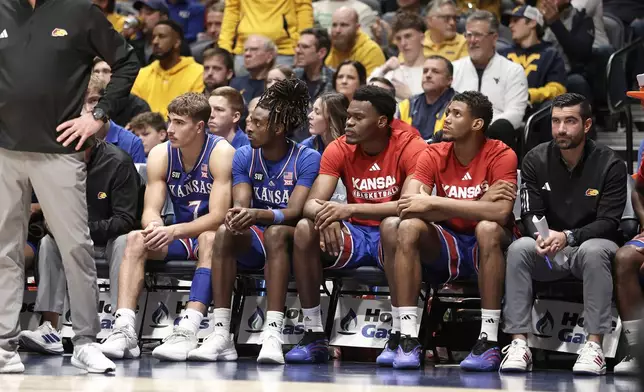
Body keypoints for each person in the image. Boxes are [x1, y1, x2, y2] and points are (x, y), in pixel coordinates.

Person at [0, 0, 139, 374]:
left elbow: (128, 62)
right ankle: (4, 347)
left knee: (75, 245)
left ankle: (85, 340)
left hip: (60, 149)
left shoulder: (78, 11)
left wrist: (98, 115)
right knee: (4, 250)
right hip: (3, 149)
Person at [285, 86, 428, 364]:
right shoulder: (339, 147)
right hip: (357, 234)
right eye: (349, 116)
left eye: (358, 118)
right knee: (304, 228)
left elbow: (408, 204)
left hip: (395, 234)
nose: (348, 122)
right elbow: (311, 204)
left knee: (392, 224)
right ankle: (313, 333)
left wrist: (347, 209)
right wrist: (328, 214)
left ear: (382, 122)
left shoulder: (412, 145)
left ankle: (401, 335)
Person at [381, 91, 518, 370]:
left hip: (491, 246)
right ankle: (407, 337)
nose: (447, 119)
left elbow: (501, 213)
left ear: (477, 124)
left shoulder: (502, 154)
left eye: (456, 114)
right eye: (447, 113)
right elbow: (409, 206)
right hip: (447, 241)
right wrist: (479, 202)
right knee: (405, 226)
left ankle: (489, 340)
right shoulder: (433, 153)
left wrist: (432, 202)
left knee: (488, 228)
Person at [187, 79, 320, 364]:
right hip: (257, 235)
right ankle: (220, 334)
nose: (249, 126)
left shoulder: (307, 158)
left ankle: (272, 333)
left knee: (275, 233)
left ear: (278, 128)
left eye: (257, 122)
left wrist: (258, 215)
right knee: (224, 232)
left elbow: (296, 211)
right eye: (249, 119)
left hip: (294, 239)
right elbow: (241, 203)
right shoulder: (245, 154)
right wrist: (239, 215)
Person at [99, 93, 236, 362]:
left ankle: (187, 329)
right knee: (136, 239)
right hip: (182, 234)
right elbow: (151, 207)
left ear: (199, 126)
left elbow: (219, 216)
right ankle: (124, 328)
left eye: (179, 123)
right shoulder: (161, 154)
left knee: (211, 238)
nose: (170, 129)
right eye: (170, 121)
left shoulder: (221, 153)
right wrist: (154, 225)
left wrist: (172, 231)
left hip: (212, 235)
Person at [500, 93, 627, 375]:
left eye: (570, 121)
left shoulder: (611, 164)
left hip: (587, 249)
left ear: (587, 124)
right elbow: (529, 212)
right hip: (548, 252)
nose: (561, 129)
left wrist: (568, 236)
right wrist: (540, 236)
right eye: (556, 121)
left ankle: (594, 345)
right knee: (519, 248)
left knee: (595, 251)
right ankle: (519, 343)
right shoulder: (535, 159)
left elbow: (609, 221)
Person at [20, 140, 140, 355]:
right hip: (74, 239)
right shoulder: (57, 164)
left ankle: (120, 328)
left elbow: (124, 220)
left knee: (125, 241)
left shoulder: (118, 162)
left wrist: (79, 230)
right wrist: (56, 224)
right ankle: (49, 328)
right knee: (49, 242)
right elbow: (52, 211)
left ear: (90, 146)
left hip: (109, 241)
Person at [451, 10, 528, 152]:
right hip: (457, 138)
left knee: (503, 127)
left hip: (494, 138)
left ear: (494, 38)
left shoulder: (513, 70)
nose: (472, 40)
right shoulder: (454, 69)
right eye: (469, 35)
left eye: (478, 35)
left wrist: (478, 128)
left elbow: (515, 114)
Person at [131, 20, 205, 118]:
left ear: (177, 42)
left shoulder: (199, 73)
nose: (155, 42)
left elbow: (195, 114)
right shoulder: (142, 74)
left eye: (161, 37)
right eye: (153, 37)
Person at [218, 0, 313, 76]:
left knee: (283, 97)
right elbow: (232, 9)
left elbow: (303, 8)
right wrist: (224, 48)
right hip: (244, 51)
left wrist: (301, 45)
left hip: (283, 51)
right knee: (244, 97)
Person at [85, 76, 147, 164]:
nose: (88, 109)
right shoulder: (68, 139)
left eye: (93, 100)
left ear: (107, 101)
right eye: (81, 103)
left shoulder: (132, 143)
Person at [369, 12, 426, 102]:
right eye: (399, 38)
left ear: (422, 38)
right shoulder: (390, 72)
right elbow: (367, 93)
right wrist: (384, 69)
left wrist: (410, 97)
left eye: (408, 36)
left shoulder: (433, 72)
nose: (403, 43)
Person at [397, 56, 455, 141]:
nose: (428, 75)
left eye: (435, 71)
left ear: (449, 80)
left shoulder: (458, 107)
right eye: (425, 71)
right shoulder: (406, 106)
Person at [325, 7, 386, 76]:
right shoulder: (326, 49)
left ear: (357, 28)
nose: (337, 30)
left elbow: (373, 85)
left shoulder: (371, 51)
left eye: (344, 25)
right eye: (334, 25)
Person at [92, 58, 152, 127]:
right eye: (96, 72)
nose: (100, 76)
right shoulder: (85, 103)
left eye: (106, 71)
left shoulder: (138, 106)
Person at [230, 35, 278, 104]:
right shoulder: (236, 83)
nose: (247, 54)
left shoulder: (276, 84)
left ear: (269, 56)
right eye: (246, 50)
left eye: (254, 50)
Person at [294, 28, 335, 107]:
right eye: (298, 46)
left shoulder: (335, 78)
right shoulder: (292, 76)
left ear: (321, 53)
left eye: (305, 47)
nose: (298, 51)